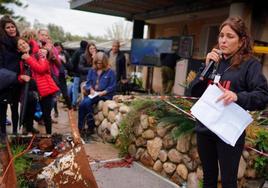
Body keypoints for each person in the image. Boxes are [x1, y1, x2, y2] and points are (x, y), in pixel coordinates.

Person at [190, 16, 268, 188]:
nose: (223, 40)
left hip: (228, 131)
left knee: (228, 181)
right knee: (209, 177)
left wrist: (237, 96)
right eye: (221, 35)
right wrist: (206, 67)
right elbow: (193, 91)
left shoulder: (250, 65)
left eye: (230, 36)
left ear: (241, 41)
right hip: (205, 129)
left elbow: (263, 96)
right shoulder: (214, 61)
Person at [17, 37, 59, 134]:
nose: (23, 45)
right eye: (20, 45)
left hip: (44, 88)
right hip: (30, 90)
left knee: (46, 115)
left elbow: (42, 69)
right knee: (29, 112)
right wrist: (21, 77)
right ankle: (28, 131)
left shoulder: (39, 53)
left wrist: (28, 59)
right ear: (18, 49)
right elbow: (18, 75)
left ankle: (49, 136)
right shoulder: (20, 60)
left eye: (24, 43)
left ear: (28, 43)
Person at [78, 52, 116, 135]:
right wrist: (90, 89)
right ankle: (80, 128)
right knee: (82, 104)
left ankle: (90, 126)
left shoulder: (110, 72)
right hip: (94, 93)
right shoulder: (92, 70)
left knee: (87, 102)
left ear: (104, 62)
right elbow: (88, 83)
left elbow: (113, 86)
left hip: (104, 95)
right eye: (97, 63)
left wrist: (104, 92)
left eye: (101, 63)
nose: (99, 65)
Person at [0, 15, 21, 136]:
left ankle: (15, 132)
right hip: (5, 80)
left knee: (14, 108)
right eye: (8, 27)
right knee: (2, 108)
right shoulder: (1, 45)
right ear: (3, 29)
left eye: (13, 26)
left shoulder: (18, 43)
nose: (11, 29)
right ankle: (2, 134)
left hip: (17, 81)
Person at [70, 40, 88, 110]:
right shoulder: (87, 53)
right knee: (84, 89)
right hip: (85, 74)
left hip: (77, 74)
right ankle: (84, 104)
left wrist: (73, 71)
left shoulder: (77, 52)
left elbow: (72, 62)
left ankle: (74, 103)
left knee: (75, 88)